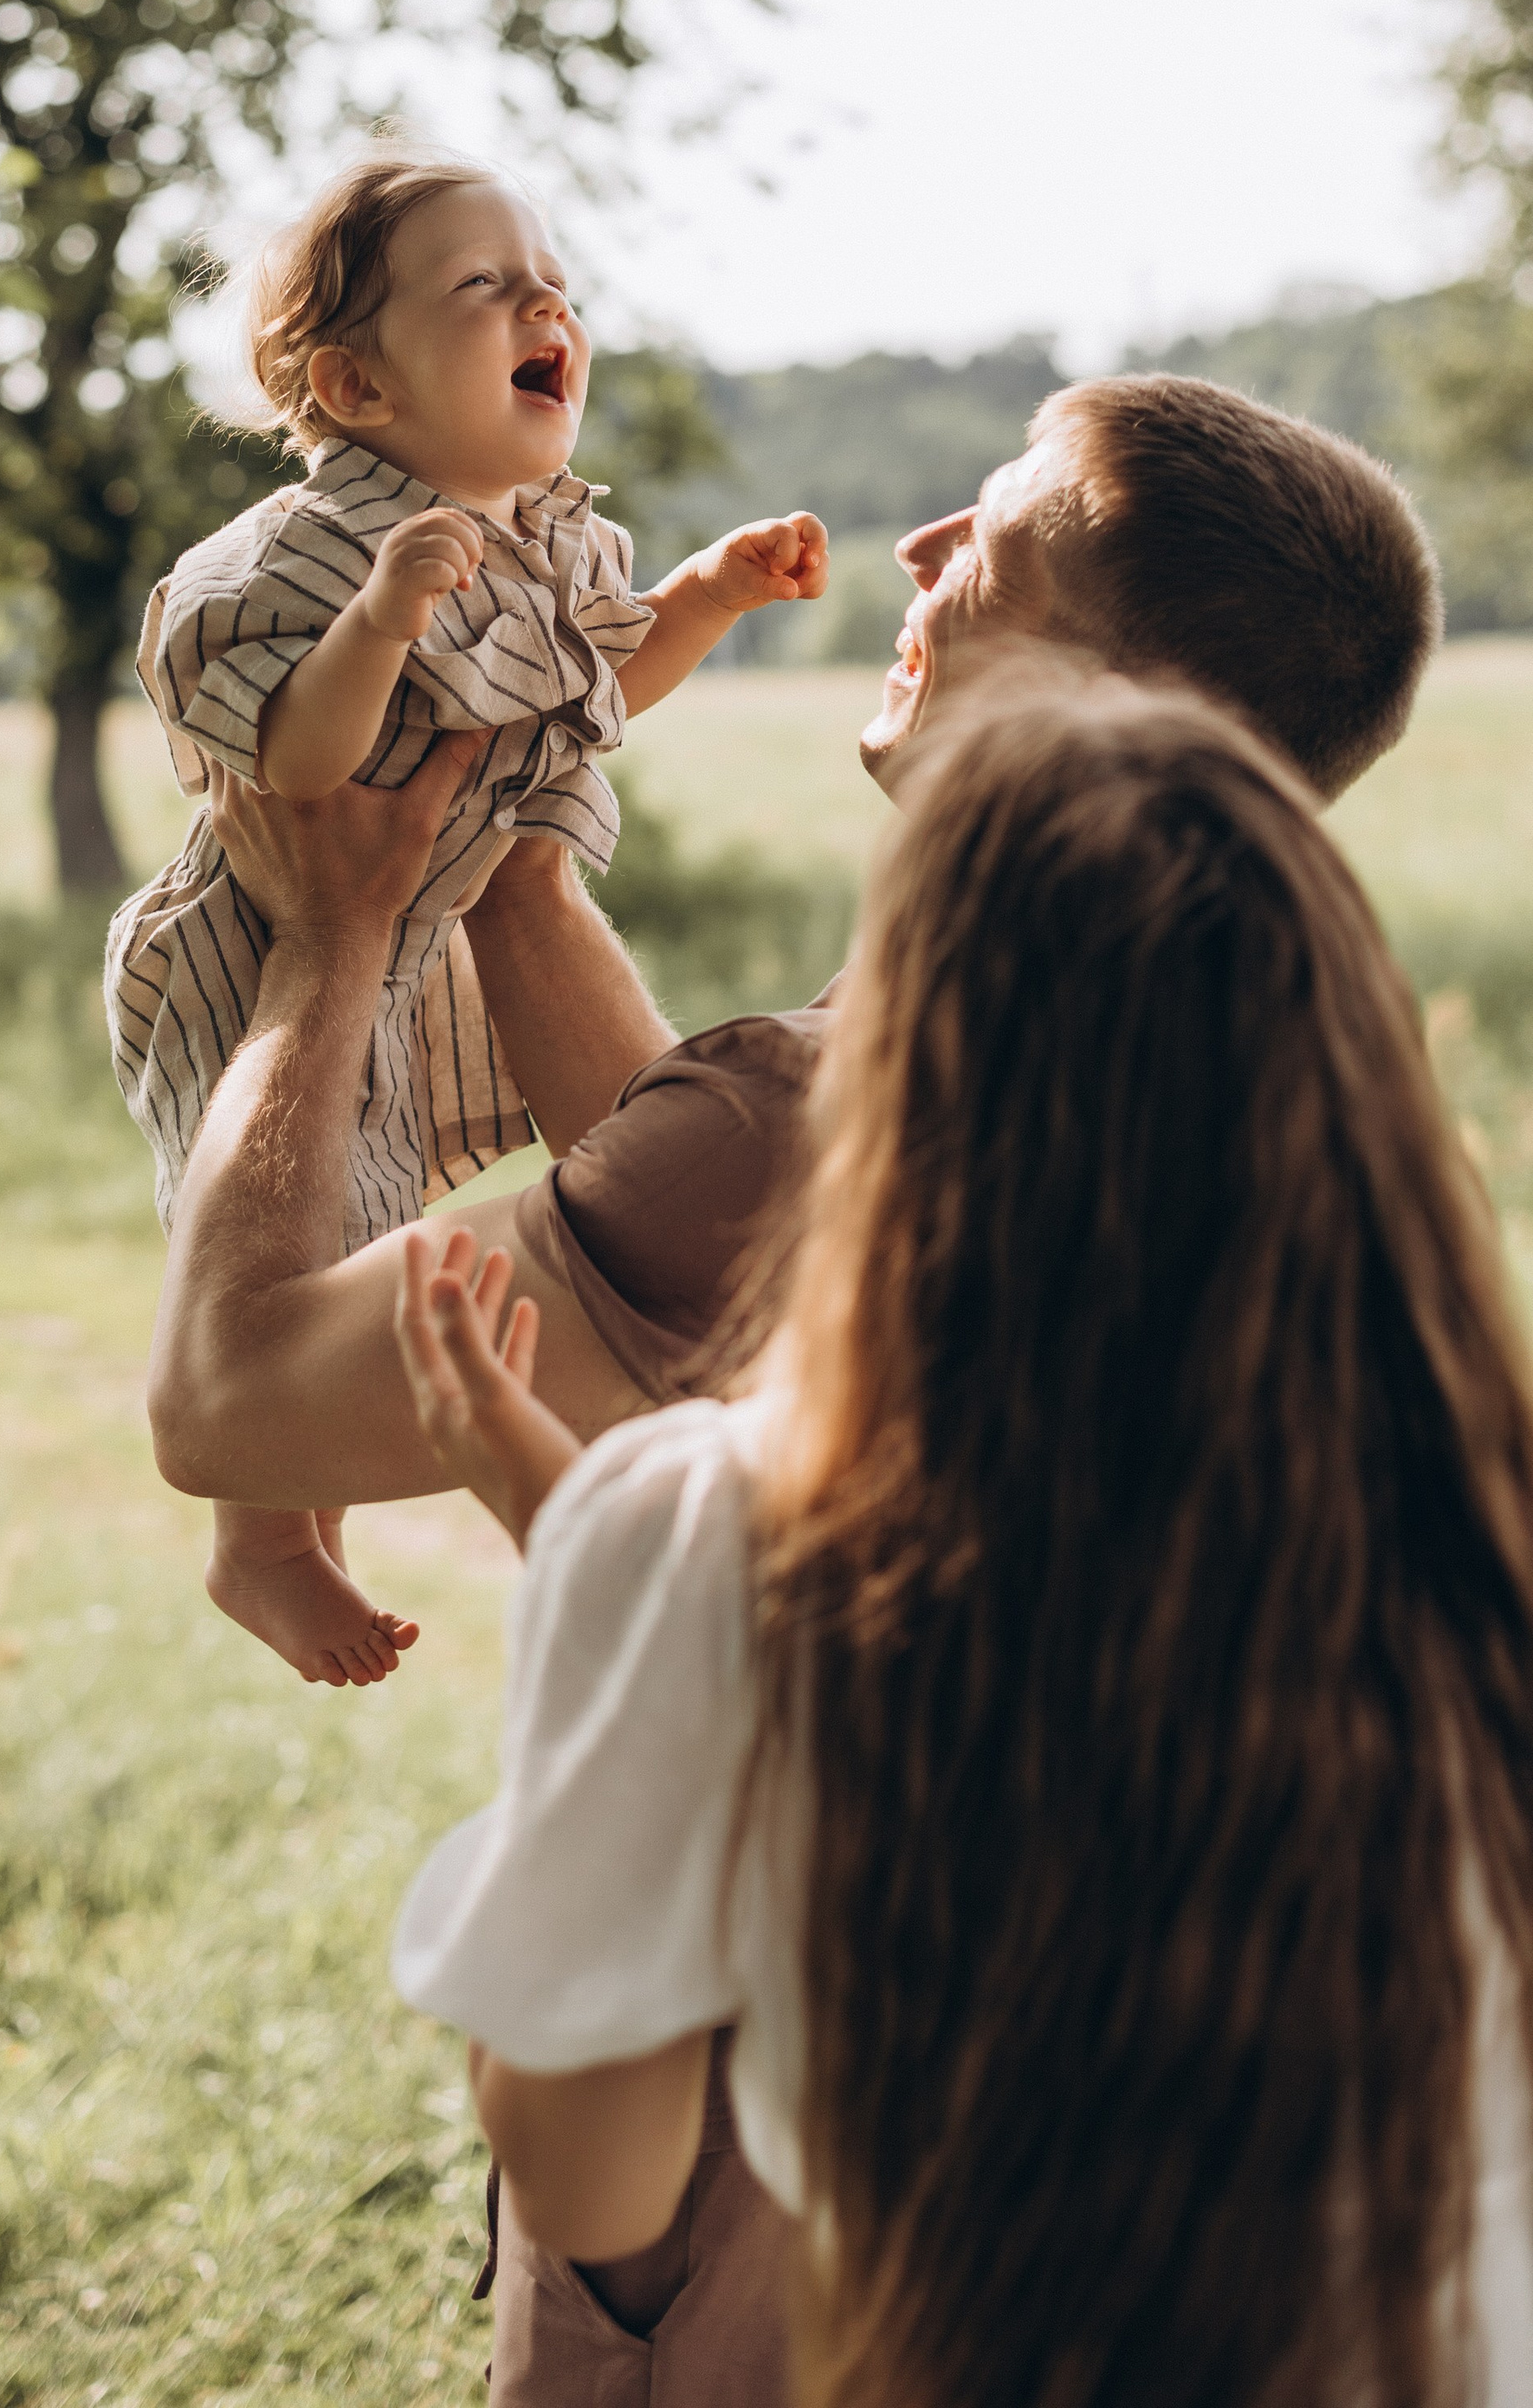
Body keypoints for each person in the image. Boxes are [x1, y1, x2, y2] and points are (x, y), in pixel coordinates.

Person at [146, 369, 1443, 2401]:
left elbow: (229, 1401)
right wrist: (506, 869)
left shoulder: (805, 1119)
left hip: (749, 2205)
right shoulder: (1301, 1124)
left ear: (1103, 676)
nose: (921, 546)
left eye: (993, 537)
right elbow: (712, 1227)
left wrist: (326, 944)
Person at [388, 674, 1533, 2408]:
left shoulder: (708, 1524)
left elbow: (593, 2183)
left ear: (904, 1087)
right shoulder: (1478, 1531)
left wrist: (567, 1792)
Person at [105, 147, 826, 1690]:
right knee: (318, 1246)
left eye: (549, 278)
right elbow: (296, 769)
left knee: (379, 1219)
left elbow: (581, 703)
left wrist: (701, 597)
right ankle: (269, 1548)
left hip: (408, 935)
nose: (543, 301)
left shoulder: (551, 540)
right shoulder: (307, 558)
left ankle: (308, 1525)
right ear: (356, 388)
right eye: (485, 286)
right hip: (251, 955)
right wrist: (378, 622)